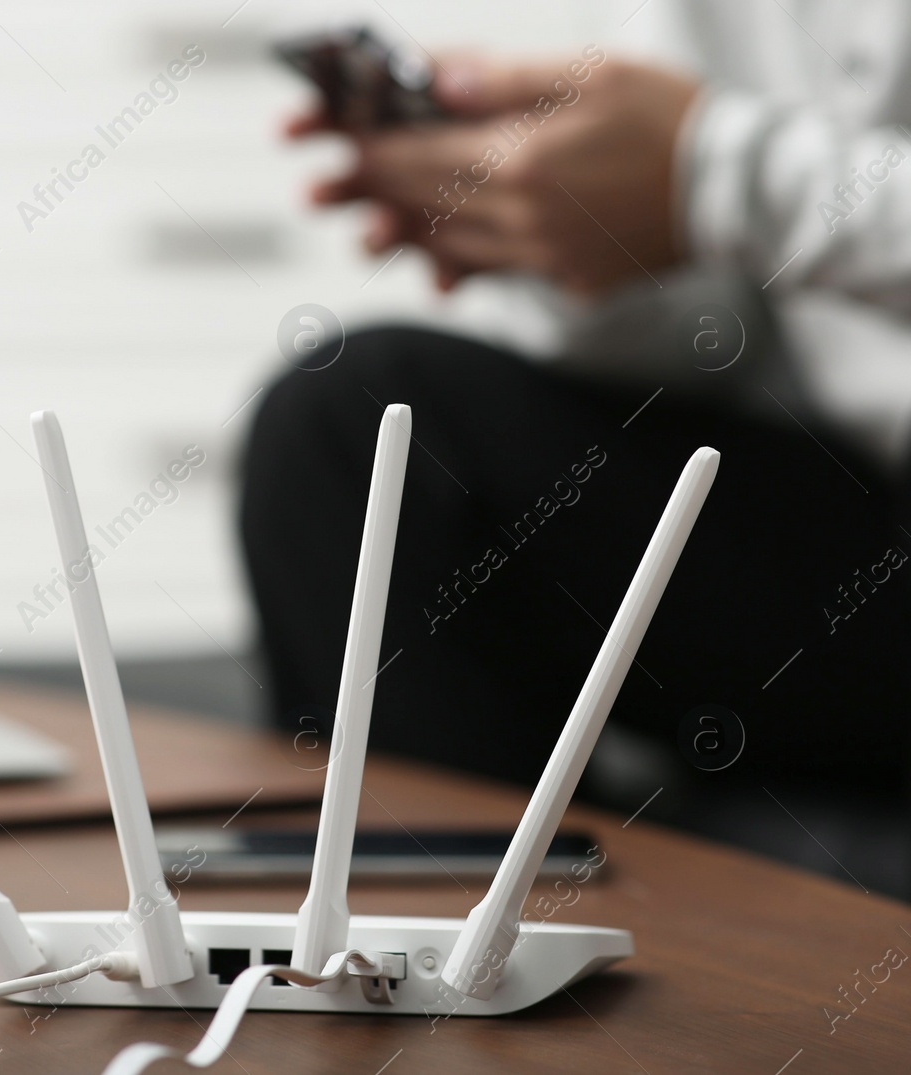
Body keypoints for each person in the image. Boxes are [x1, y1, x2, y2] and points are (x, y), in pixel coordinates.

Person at [241, 4, 911, 893]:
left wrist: (714, 171)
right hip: (854, 513)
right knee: (356, 418)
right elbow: (710, 328)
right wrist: (568, 240)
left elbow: (718, 172)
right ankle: (430, 956)